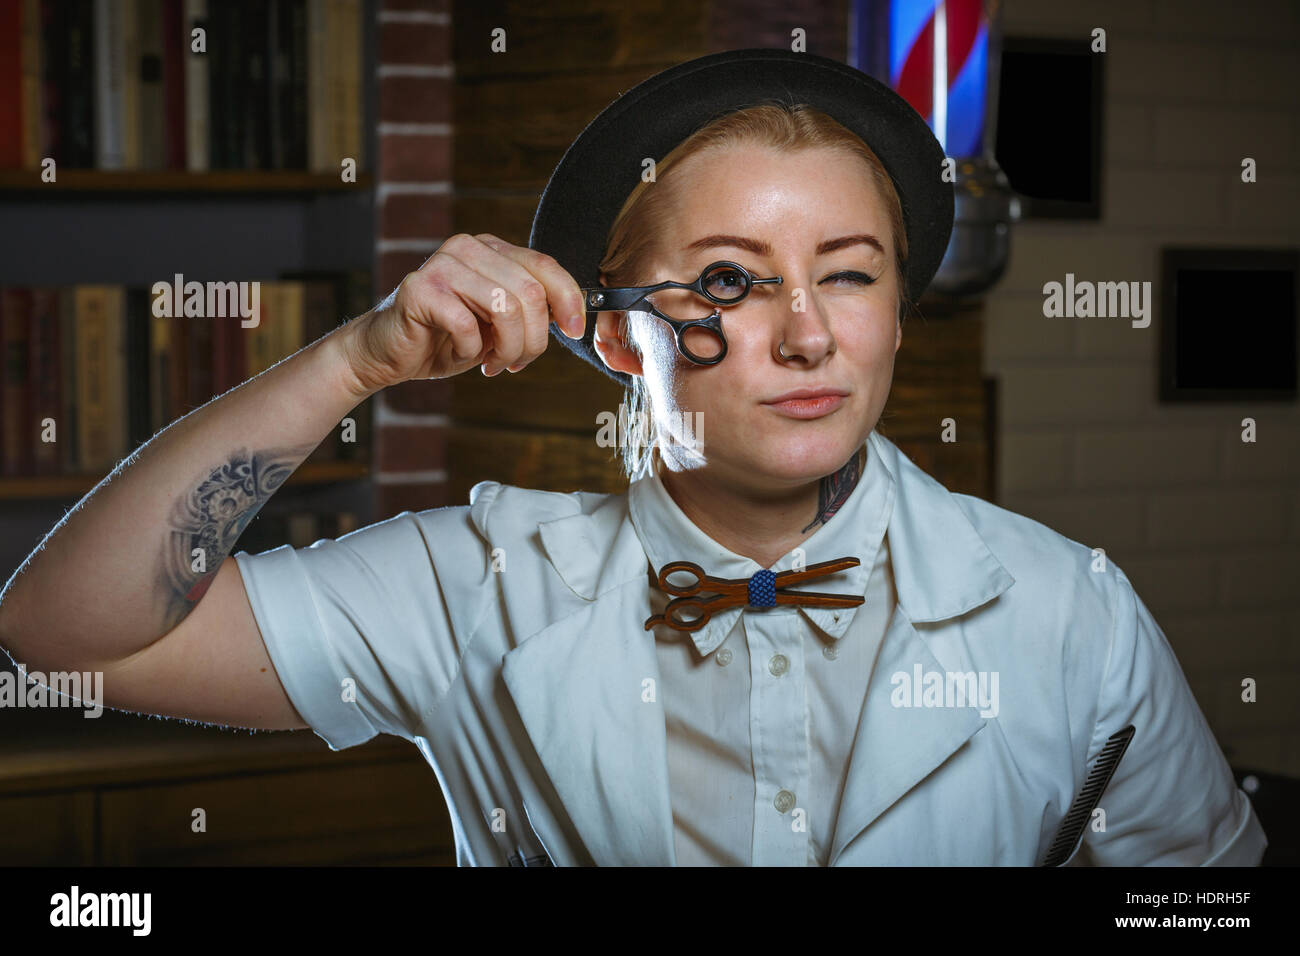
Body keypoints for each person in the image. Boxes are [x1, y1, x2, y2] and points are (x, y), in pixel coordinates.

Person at [0, 50, 1266, 867]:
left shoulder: (1065, 605)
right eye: (730, 279)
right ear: (614, 334)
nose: (809, 329)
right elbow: (65, 637)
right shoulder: (474, 580)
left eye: (849, 273)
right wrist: (356, 361)